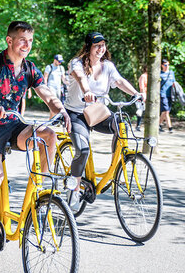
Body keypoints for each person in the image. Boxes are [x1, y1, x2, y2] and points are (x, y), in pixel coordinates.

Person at [0, 21, 71, 266]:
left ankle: (42, 191)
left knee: (48, 135)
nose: (27, 45)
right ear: (10, 40)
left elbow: (47, 94)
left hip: (14, 124)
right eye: (22, 40)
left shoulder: (30, 68)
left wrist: (61, 111)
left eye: (30, 41)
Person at [65, 32, 144, 209]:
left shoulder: (107, 66)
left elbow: (120, 81)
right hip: (76, 114)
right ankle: (74, 190)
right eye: (96, 45)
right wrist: (87, 91)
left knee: (120, 123)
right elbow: (80, 77)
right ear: (88, 47)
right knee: (83, 150)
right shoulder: (76, 63)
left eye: (103, 45)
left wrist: (136, 94)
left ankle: (117, 162)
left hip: (98, 112)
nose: (101, 48)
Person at [159, 59, 176, 133]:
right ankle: (170, 127)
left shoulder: (171, 73)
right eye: (165, 65)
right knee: (166, 111)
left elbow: (174, 82)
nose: (167, 66)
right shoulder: (160, 74)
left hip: (170, 95)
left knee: (166, 111)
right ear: (162, 65)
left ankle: (158, 125)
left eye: (168, 65)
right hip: (163, 94)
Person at [135, 65, 148, 131]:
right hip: (144, 95)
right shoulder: (143, 76)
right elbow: (142, 87)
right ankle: (138, 125)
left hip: (149, 95)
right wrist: (143, 95)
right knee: (141, 110)